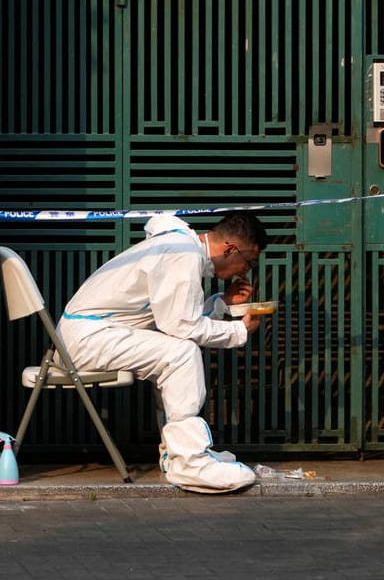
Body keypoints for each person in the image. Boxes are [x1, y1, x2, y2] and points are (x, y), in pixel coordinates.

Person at [58, 210, 269, 493]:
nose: (246, 271)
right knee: (180, 353)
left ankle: (178, 454)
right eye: (249, 262)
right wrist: (238, 332)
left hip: (91, 333)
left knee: (177, 350)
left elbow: (170, 319)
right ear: (231, 249)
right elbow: (181, 326)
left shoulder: (181, 248)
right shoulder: (183, 255)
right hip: (88, 338)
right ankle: (190, 462)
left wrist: (220, 304)